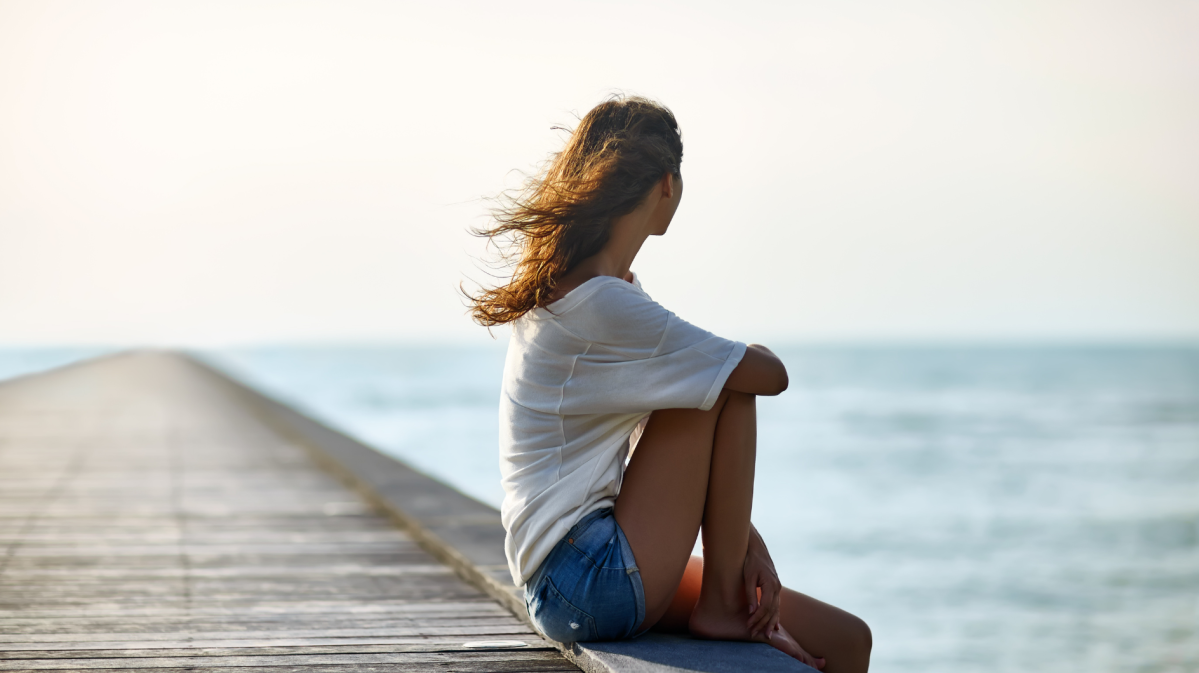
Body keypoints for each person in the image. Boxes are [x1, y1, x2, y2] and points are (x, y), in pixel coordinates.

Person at [468, 95, 871, 672]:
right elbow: (767, 375)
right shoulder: (602, 303)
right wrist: (746, 353)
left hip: (577, 574)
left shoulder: (594, 290)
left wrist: (748, 545)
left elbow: (652, 443)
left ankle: (726, 596)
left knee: (846, 639)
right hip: (584, 577)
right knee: (727, 379)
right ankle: (724, 604)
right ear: (667, 184)